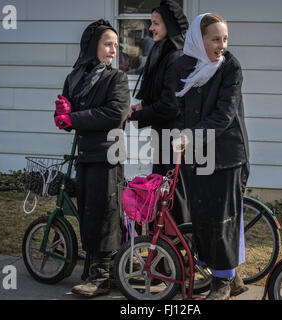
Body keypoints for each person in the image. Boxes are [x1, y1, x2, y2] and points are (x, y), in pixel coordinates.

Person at [172, 13, 250, 300]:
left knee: (223, 218)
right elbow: (177, 108)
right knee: (203, 217)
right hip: (197, 154)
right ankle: (229, 276)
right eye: (215, 39)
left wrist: (189, 135)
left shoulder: (230, 67)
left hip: (228, 154)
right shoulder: (182, 66)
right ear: (198, 39)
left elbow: (224, 115)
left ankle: (222, 283)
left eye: (225, 39)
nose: (222, 45)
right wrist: (180, 134)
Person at [53, 19, 130, 298]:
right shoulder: (76, 77)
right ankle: (94, 268)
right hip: (86, 155)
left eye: (115, 46)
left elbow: (115, 114)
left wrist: (72, 117)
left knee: (106, 214)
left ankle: (103, 275)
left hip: (108, 156)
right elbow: (67, 115)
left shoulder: (116, 78)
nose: (113, 51)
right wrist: (62, 114)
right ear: (92, 46)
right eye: (108, 44)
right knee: (89, 212)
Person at [127, 0, 190, 225]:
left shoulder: (175, 57)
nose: (151, 28)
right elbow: (161, 96)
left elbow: (170, 105)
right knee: (162, 195)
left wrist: (136, 115)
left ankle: (173, 252)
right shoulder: (164, 53)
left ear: (170, 25)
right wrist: (142, 107)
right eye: (151, 23)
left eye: (156, 23)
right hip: (163, 139)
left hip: (173, 141)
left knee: (172, 199)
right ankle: (162, 251)